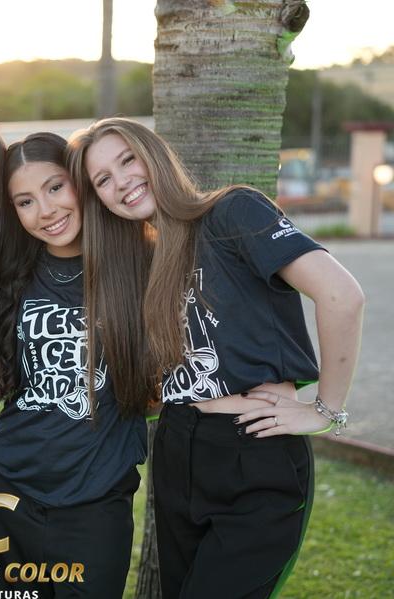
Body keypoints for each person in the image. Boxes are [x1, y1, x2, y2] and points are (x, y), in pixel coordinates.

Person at [68, 117, 365, 598]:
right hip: (177, 447)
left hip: (254, 448)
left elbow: (341, 295)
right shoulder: (141, 259)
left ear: (155, 156)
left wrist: (325, 410)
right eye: (103, 179)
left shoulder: (232, 212)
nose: (120, 181)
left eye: (127, 160)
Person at [0, 132, 150, 598]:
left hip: (97, 498)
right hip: (9, 491)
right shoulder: (9, 275)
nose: (46, 210)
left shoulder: (138, 263)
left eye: (55, 187)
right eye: (25, 201)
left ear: (82, 182)